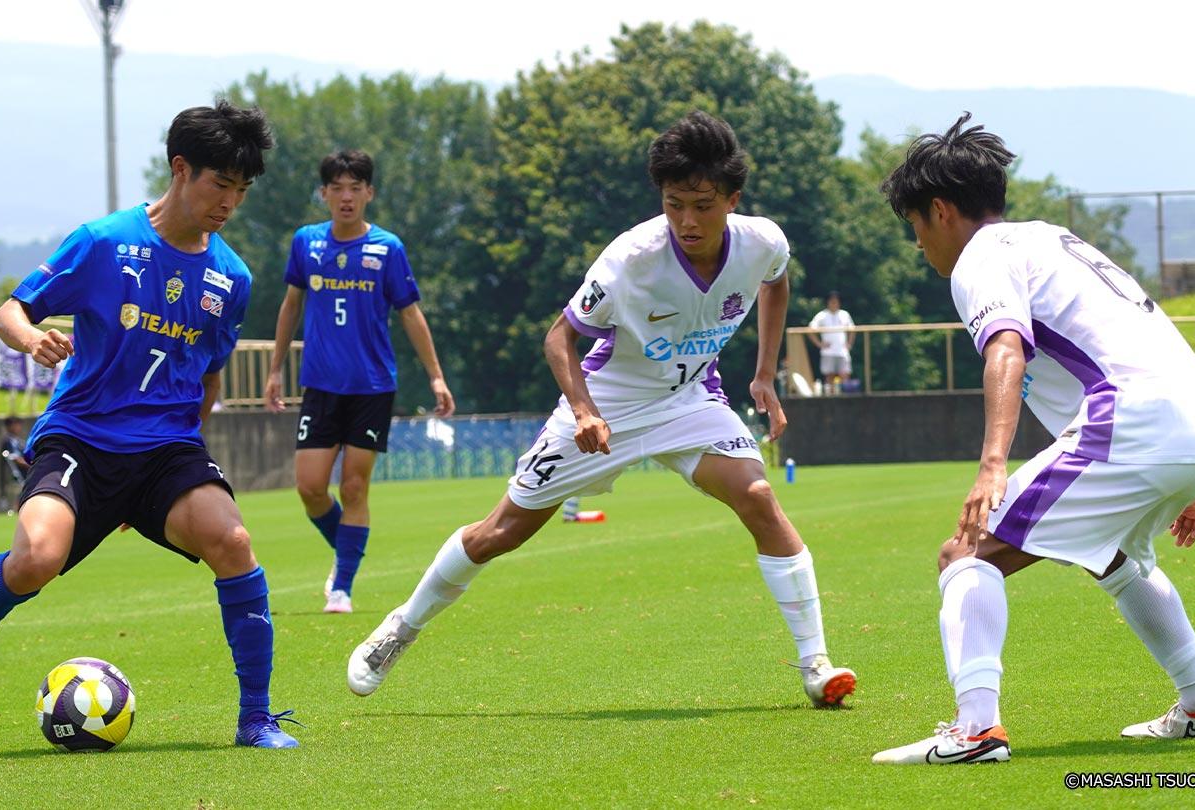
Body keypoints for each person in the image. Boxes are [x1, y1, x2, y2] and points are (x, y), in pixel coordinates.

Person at [345, 111, 857, 708]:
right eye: (674, 205)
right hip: (609, 400)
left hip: (690, 399)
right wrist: (585, 412)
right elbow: (559, 337)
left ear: (732, 199)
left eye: (702, 204)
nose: (687, 221)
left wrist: (765, 371)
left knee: (760, 497)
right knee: (498, 534)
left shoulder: (762, 241)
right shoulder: (630, 259)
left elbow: (777, 282)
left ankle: (815, 664)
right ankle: (400, 627)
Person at [872, 114, 1195, 765]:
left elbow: (1006, 351)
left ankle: (976, 731)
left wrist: (992, 466)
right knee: (1118, 558)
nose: (921, 246)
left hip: (1131, 425)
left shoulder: (980, 259)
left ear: (940, 210)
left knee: (966, 555)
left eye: (916, 229)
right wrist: (1190, 472)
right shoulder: (1051, 240)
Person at [0, 101, 301, 749]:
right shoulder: (104, 242)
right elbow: (9, 311)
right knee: (35, 560)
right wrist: (32, 340)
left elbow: (209, 376)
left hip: (166, 452)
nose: (230, 203)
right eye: (220, 184)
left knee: (234, 542)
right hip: (80, 437)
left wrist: (178, 467)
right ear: (180, 169)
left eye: (241, 191)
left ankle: (256, 718)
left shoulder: (232, 277)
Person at [264, 149, 455, 615]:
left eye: (356, 188)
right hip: (321, 385)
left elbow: (410, 313)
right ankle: (346, 553)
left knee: (353, 488)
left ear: (369, 193)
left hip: (372, 386)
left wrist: (436, 377)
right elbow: (291, 305)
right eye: (337, 188)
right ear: (324, 194)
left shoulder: (387, 248)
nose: (346, 197)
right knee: (309, 487)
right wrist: (274, 370)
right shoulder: (306, 243)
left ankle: (342, 586)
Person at [808, 292, 854, 393]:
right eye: (832, 301)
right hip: (828, 352)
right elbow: (810, 329)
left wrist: (849, 344)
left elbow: (852, 330)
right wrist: (819, 344)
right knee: (829, 377)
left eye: (836, 301)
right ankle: (831, 399)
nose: (834, 304)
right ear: (828, 303)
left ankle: (846, 398)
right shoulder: (822, 315)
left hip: (842, 351)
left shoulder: (844, 314)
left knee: (845, 375)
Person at [0, 415, 30, 514]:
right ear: (10, 426)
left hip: (24, 474)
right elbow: (15, 458)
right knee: (18, 496)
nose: (19, 427)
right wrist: (31, 465)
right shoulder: (8, 441)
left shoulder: (18, 440)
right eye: (17, 424)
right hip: (16, 475)